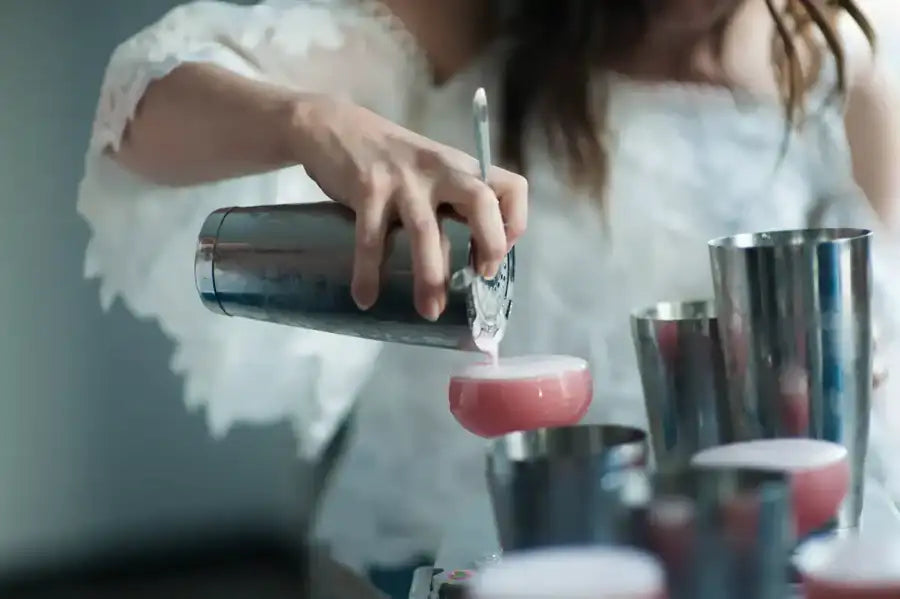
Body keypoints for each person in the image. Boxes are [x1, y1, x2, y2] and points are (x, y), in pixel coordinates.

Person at [78, 0, 900, 593]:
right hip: (457, 552)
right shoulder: (474, 20)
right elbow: (139, 109)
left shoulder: (845, 79)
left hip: (738, 562)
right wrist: (313, 120)